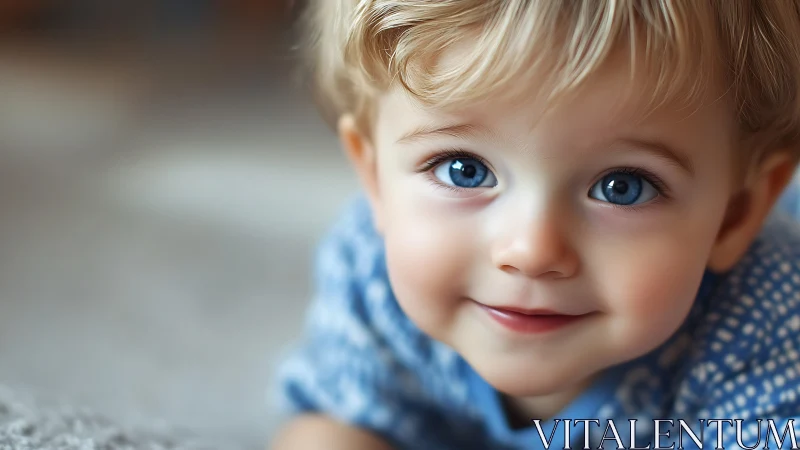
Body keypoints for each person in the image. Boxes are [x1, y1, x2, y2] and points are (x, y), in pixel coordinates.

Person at [271, 1, 800, 448]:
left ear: (735, 214)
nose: (532, 250)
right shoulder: (368, 269)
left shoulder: (766, 322)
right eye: (465, 169)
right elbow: (332, 424)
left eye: (623, 186)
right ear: (376, 181)